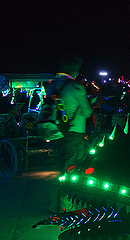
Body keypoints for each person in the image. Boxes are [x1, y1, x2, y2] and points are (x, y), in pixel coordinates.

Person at [48, 55, 95, 212]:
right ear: (75, 70)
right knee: (71, 170)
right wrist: (89, 104)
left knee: (62, 169)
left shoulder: (52, 86)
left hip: (56, 133)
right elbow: (87, 112)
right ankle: (66, 208)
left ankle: (57, 204)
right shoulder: (76, 87)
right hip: (73, 134)